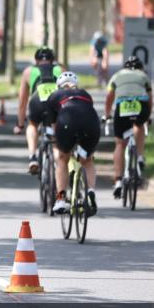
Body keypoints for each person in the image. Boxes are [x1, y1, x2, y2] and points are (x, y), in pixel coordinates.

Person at [47, 71, 101, 215]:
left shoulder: (54, 96)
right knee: (87, 160)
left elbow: (53, 126)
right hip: (91, 122)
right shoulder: (85, 94)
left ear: (59, 86)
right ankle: (90, 192)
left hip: (67, 121)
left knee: (63, 159)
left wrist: (57, 143)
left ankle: (60, 199)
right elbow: (86, 110)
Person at [105, 55, 153, 198]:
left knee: (120, 143)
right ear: (140, 67)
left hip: (122, 106)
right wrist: (148, 116)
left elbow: (109, 97)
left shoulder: (116, 76)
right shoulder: (144, 76)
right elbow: (150, 98)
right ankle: (139, 158)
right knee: (139, 124)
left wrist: (107, 114)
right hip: (141, 105)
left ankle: (118, 180)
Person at [15, 46, 63, 174]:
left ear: (36, 61)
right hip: (56, 102)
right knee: (56, 140)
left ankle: (32, 157)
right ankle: (60, 166)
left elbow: (22, 102)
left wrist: (20, 125)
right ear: (53, 60)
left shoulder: (28, 72)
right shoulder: (60, 69)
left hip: (37, 101)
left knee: (33, 125)